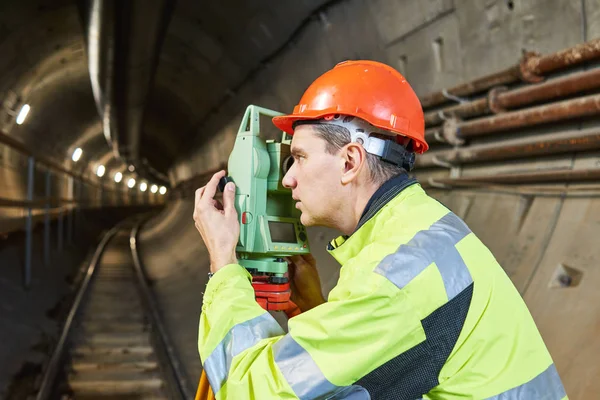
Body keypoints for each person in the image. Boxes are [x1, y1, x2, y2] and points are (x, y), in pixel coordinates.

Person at [193, 60, 567, 399]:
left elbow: (251, 389)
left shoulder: (392, 282)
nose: (288, 179)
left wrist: (224, 266)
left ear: (350, 162)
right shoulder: (421, 231)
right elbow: (379, 365)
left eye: (300, 158)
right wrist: (313, 306)